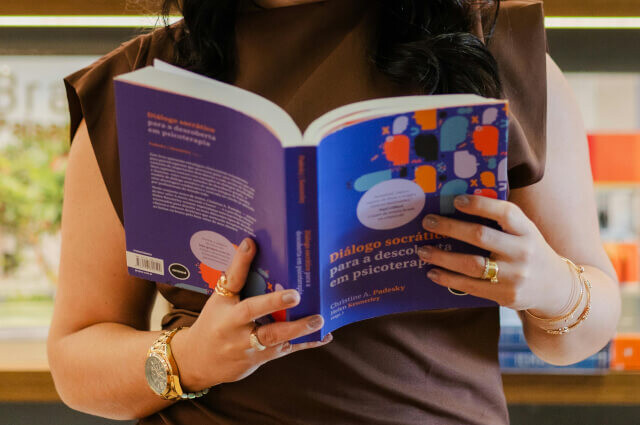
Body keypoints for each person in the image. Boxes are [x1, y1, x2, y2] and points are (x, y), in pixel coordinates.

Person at [48, 0, 621, 424]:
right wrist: (189, 360)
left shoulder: (492, 46)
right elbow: (75, 358)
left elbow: (582, 330)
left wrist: (551, 286)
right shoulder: (141, 80)